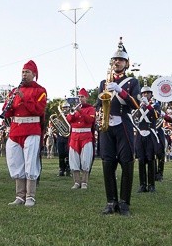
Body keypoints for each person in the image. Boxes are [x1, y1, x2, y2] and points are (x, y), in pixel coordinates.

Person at [95, 37, 141, 216]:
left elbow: (136, 104)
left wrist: (120, 90)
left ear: (126, 63)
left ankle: (124, 203)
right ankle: (110, 201)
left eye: (120, 60)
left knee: (127, 162)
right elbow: (99, 103)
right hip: (107, 125)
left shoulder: (132, 82)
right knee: (107, 163)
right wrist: (99, 114)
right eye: (115, 60)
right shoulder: (103, 82)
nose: (117, 62)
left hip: (123, 124)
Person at [4, 60, 47, 207]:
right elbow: (8, 112)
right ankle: (19, 196)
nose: (24, 74)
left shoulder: (40, 91)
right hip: (16, 130)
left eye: (27, 72)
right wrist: (8, 103)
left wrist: (23, 97)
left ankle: (30, 196)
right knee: (16, 162)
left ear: (34, 74)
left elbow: (39, 110)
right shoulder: (15, 91)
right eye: (23, 72)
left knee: (30, 163)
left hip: (31, 129)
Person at [65, 88, 96, 190]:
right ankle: (76, 182)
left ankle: (84, 182)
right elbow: (69, 119)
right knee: (74, 160)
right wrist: (73, 113)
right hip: (74, 137)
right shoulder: (74, 108)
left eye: (82, 97)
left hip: (86, 136)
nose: (80, 98)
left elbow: (90, 120)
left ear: (86, 97)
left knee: (85, 160)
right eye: (79, 97)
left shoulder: (91, 109)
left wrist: (81, 112)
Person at [132, 86, 159, 194]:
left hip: (150, 134)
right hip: (140, 134)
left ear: (151, 94)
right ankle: (142, 185)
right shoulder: (138, 106)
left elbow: (156, 116)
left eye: (147, 93)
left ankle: (151, 185)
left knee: (151, 159)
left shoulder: (155, 105)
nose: (145, 95)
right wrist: (140, 107)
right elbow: (133, 118)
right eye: (143, 93)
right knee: (141, 160)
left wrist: (148, 106)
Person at [55, 107, 71, 177]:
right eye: (64, 107)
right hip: (60, 137)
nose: (65, 109)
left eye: (66, 107)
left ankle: (68, 169)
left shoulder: (70, 116)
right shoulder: (59, 117)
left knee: (67, 154)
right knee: (61, 154)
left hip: (68, 137)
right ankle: (61, 169)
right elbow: (55, 126)